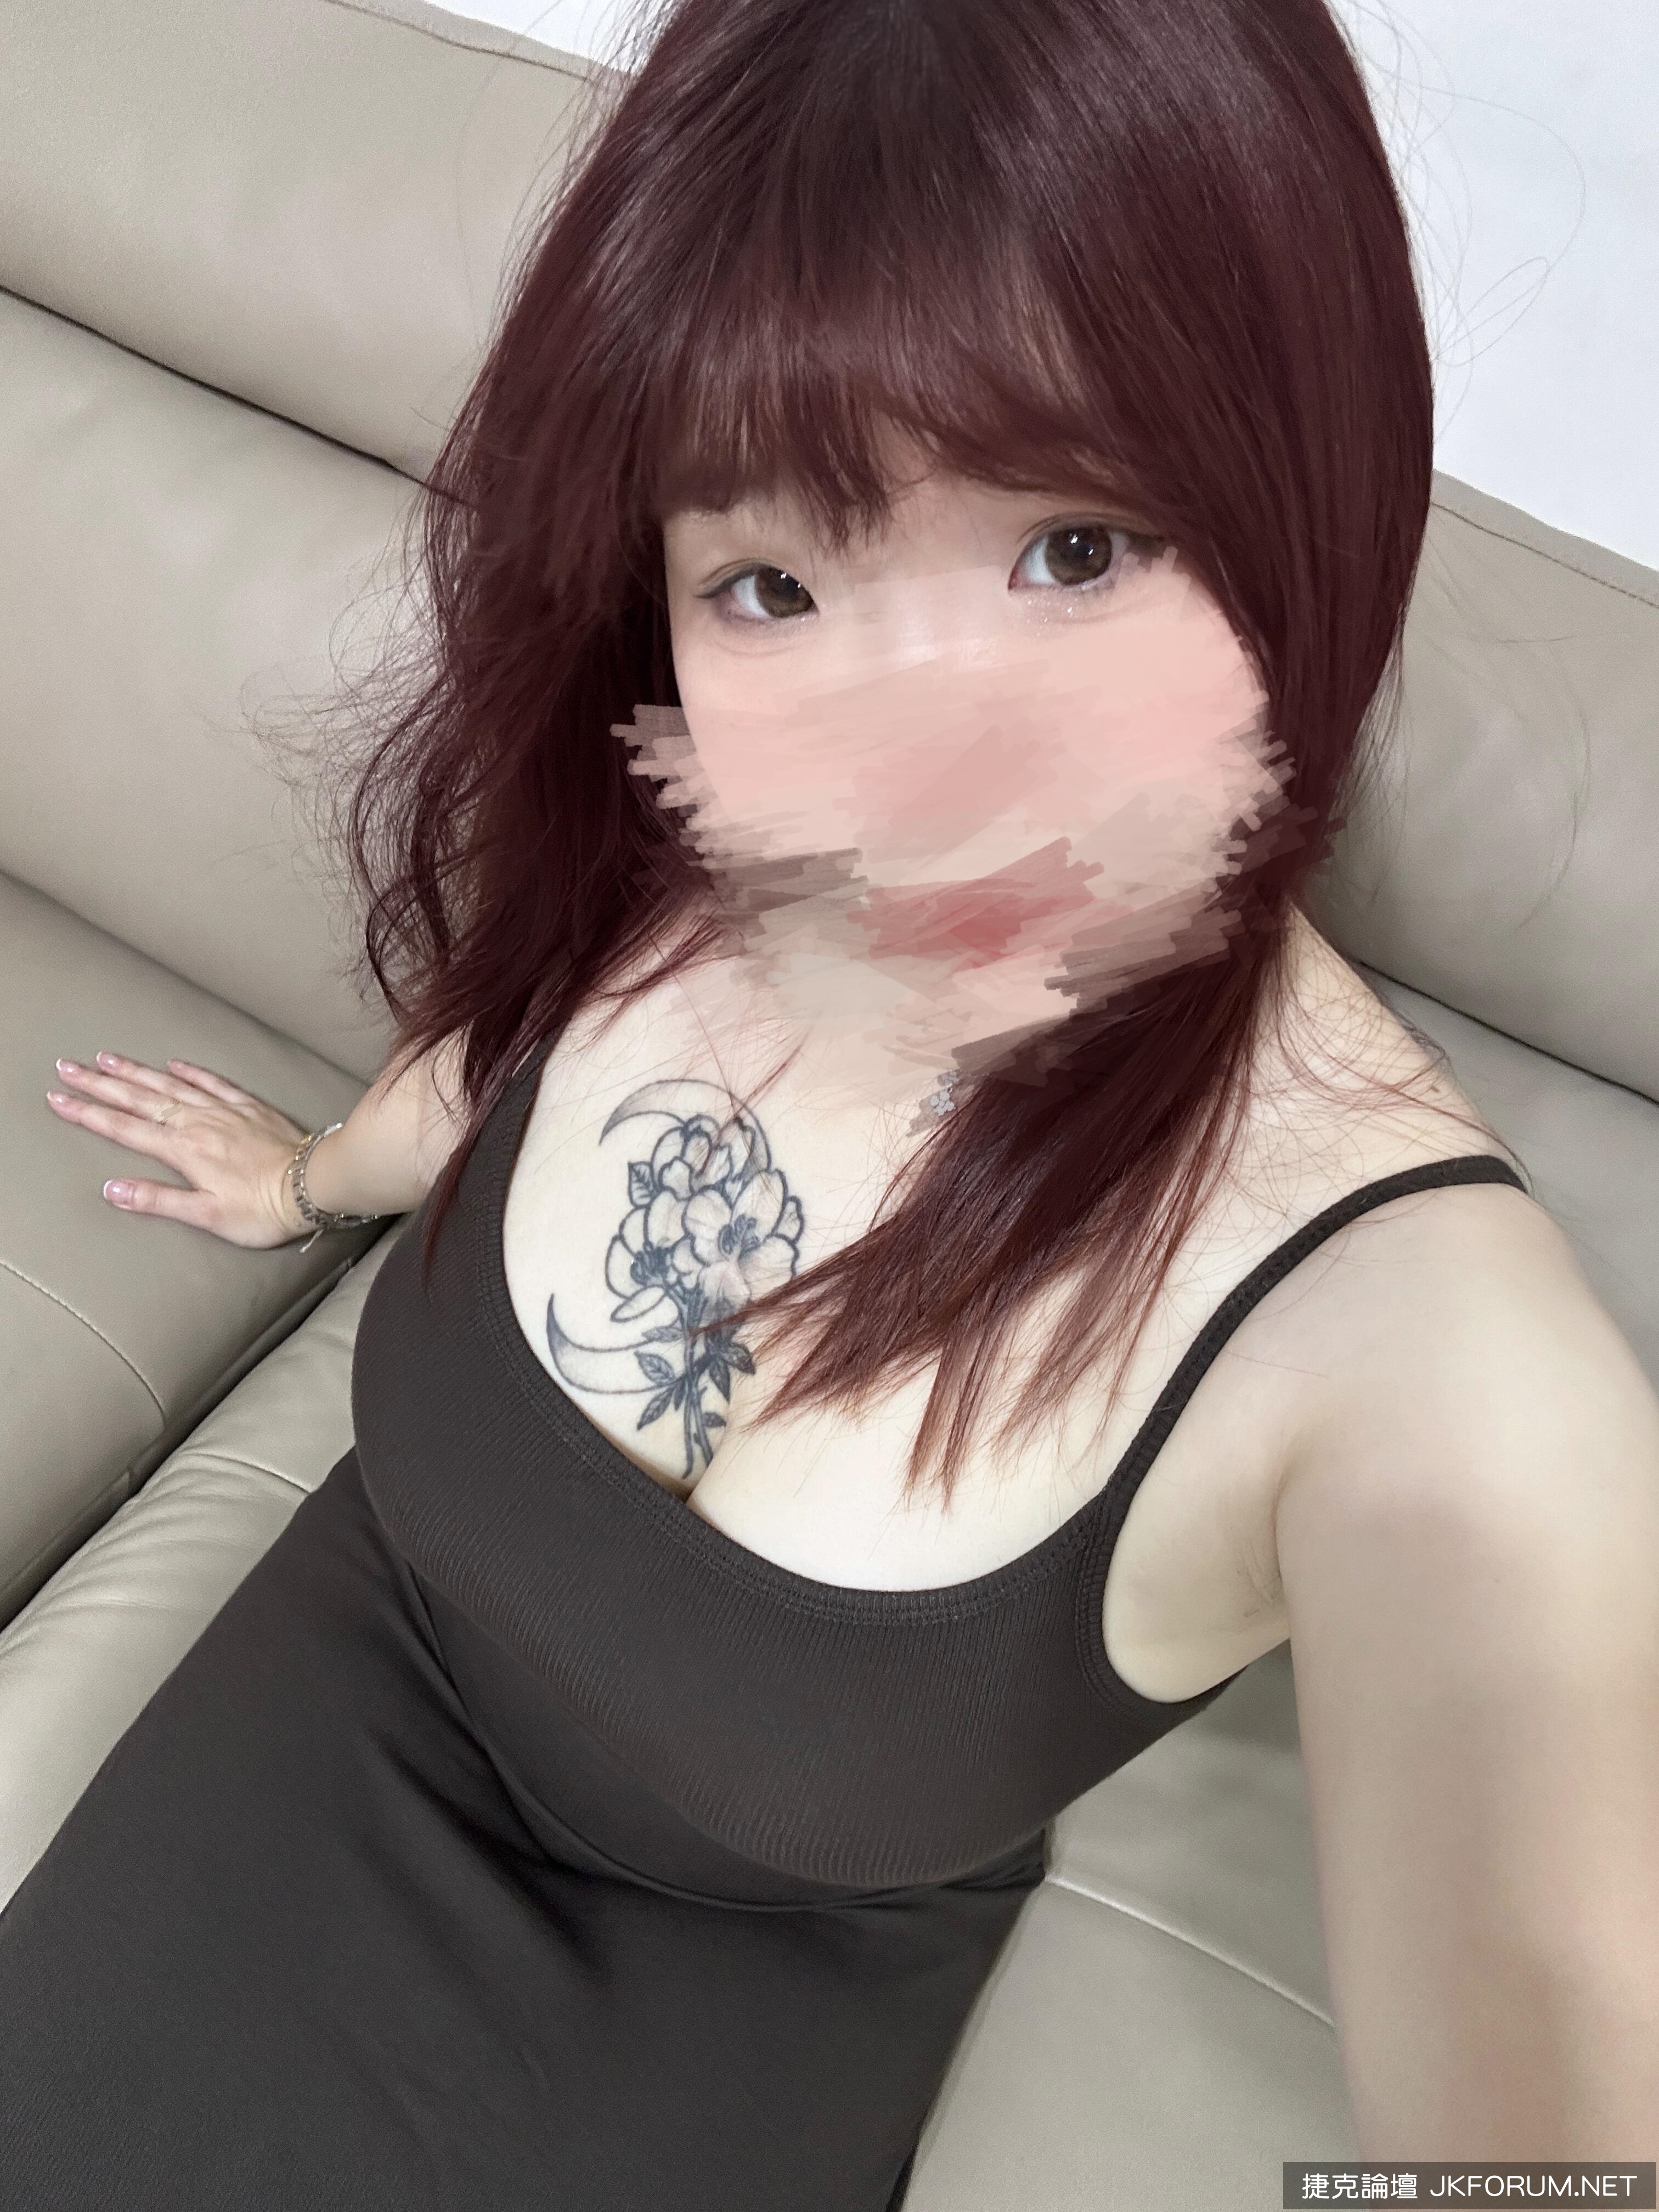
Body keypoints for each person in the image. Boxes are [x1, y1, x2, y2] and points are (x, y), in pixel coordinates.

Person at [12, 0, 1658, 2198]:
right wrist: (310, 1178)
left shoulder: (1432, 1356)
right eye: (773, 584)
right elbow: (501, 1068)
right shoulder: (700, 823)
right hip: (321, 1724)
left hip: (719, 2018)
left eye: (1073, 551)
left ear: (1304, 496)